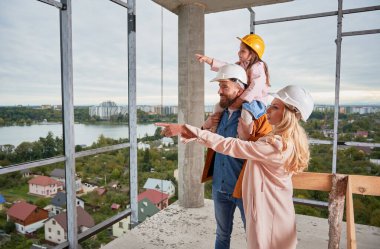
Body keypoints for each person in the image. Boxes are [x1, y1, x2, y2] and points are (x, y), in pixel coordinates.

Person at [156, 85, 314, 249]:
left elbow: (229, 145)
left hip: (269, 217)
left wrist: (187, 129)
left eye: (275, 107)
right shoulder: (287, 141)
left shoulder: (276, 146)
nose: (268, 110)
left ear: (289, 114)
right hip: (278, 213)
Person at [196, 33, 270, 140]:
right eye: (239, 50)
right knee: (217, 107)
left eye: (243, 51)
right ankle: (215, 131)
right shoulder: (241, 64)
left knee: (246, 113)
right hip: (244, 98)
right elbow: (227, 68)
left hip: (255, 100)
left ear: (253, 54)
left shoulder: (257, 66)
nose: (239, 53)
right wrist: (209, 60)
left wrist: (240, 100)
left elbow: (255, 87)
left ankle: (243, 137)